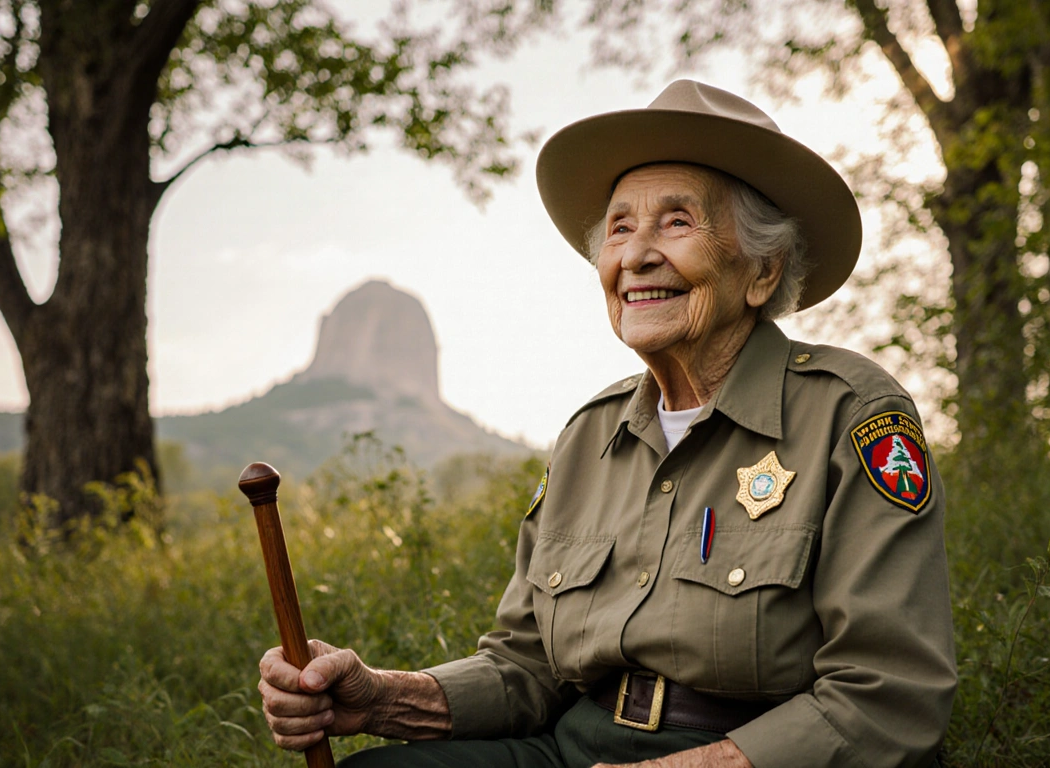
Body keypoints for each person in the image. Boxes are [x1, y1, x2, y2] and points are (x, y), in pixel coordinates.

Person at [258, 80, 957, 768]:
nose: (636, 256)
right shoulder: (589, 437)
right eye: (620, 227)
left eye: (677, 222)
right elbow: (527, 668)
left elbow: (888, 696)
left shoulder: (850, 413)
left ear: (763, 272)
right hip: (574, 747)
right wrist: (379, 699)